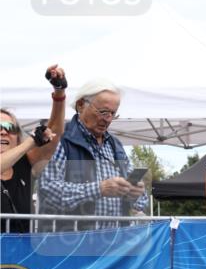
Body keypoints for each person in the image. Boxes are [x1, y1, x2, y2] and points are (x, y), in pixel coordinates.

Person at [39, 78, 148, 229]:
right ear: (81, 105)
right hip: (73, 246)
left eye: (113, 113)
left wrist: (136, 194)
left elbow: (141, 202)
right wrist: (98, 189)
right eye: (103, 112)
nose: (108, 119)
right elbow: (48, 191)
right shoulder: (61, 139)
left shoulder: (115, 145)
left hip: (114, 244)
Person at [1, 65, 65, 233]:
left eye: (9, 127)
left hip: (19, 256)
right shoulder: (27, 145)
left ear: (17, 136)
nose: (3, 131)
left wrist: (59, 93)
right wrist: (31, 142)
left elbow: (54, 134)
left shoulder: (25, 162)